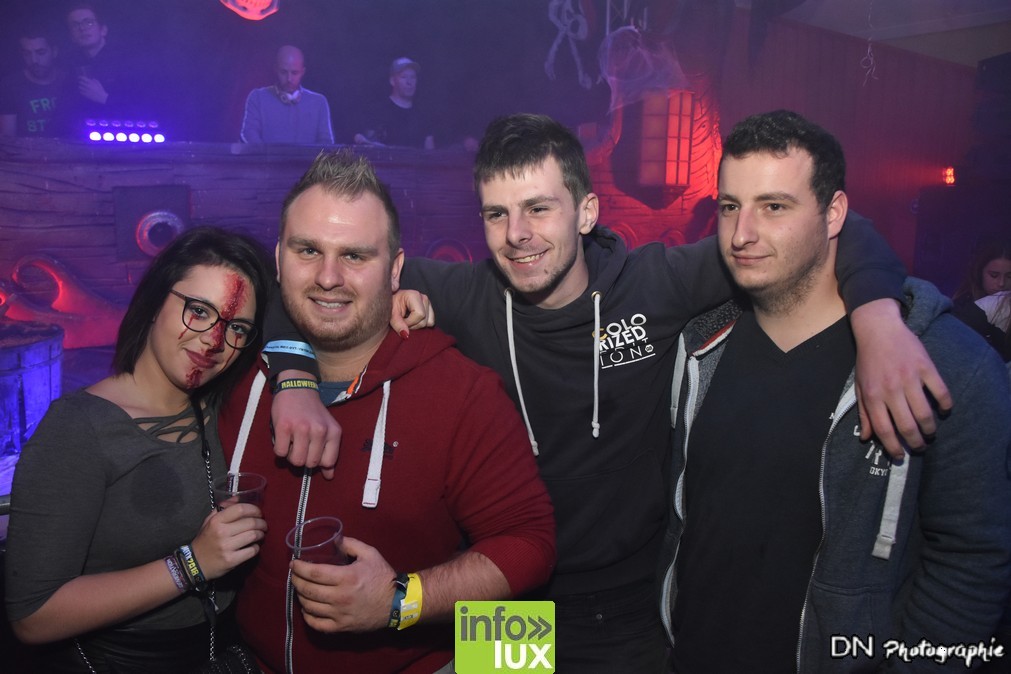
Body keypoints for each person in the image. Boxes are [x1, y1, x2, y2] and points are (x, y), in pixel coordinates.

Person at [263, 113, 951, 672]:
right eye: (497, 214)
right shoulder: (466, 292)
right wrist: (294, 378)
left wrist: (878, 323)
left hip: (629, 610)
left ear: (586, 210)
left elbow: (833, 228)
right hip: (505, 601)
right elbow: (310, 285)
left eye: (538, 208)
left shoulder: (655, 284)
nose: (517, 235)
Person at [661, 110, 1011, 672]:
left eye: (774, 206)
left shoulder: (946, 364)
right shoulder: (700, 342)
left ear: (834, 214)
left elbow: (972, 559)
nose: (741, 233)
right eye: (729, 206)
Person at [215, 149, 556, 673]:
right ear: (279, 258)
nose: (328, 276)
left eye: (355, 256)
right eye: (308, 250)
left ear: (395, 270)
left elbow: (532, 545)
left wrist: (401, 602)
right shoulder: (236, 372)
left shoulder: (462, 393)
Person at [4, 227, 272, 671]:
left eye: (236, 327)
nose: (213, 340)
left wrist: (298, 382)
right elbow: (32, 616)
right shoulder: (78, 427)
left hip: (220, 652)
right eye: (199, 311)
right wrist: (191, 564)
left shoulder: (223, 408)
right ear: (154, 302)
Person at [63, 2, 142, 128]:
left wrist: (105, 98)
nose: (82, 28)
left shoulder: (127, 61)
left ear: (103, 30)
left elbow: (143, 106)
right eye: (75, 25)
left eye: (88, 22)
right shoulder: (71, 66)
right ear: (71, 36)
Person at [240, 45, 334, 145]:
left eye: (294, 73)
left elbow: (326, 142)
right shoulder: (258, 97)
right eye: (283, 72)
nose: (289, 79)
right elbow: (249, 133)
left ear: (303, 72)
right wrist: (265, 154)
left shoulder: (319, 102)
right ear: (276, 69)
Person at [0, 26, 70, 137]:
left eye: (41, 53)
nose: (34, 60)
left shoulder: (68, 81)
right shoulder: (10, 86)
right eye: (27, 54)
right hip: (24, 148)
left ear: (54, 51)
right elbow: (8, 137)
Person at [354, 57, 435, 149]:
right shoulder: (377, 111)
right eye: (404, 77)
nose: (409, 82)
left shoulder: (423, 115)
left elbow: (431, 153)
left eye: (413, 77)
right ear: (392, 81)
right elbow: (367, 149)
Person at [953, 240, 1011, 361]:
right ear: (980, 273)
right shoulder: (961, 306)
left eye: (1009, 276)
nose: (1001, 283)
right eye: (994, 275)